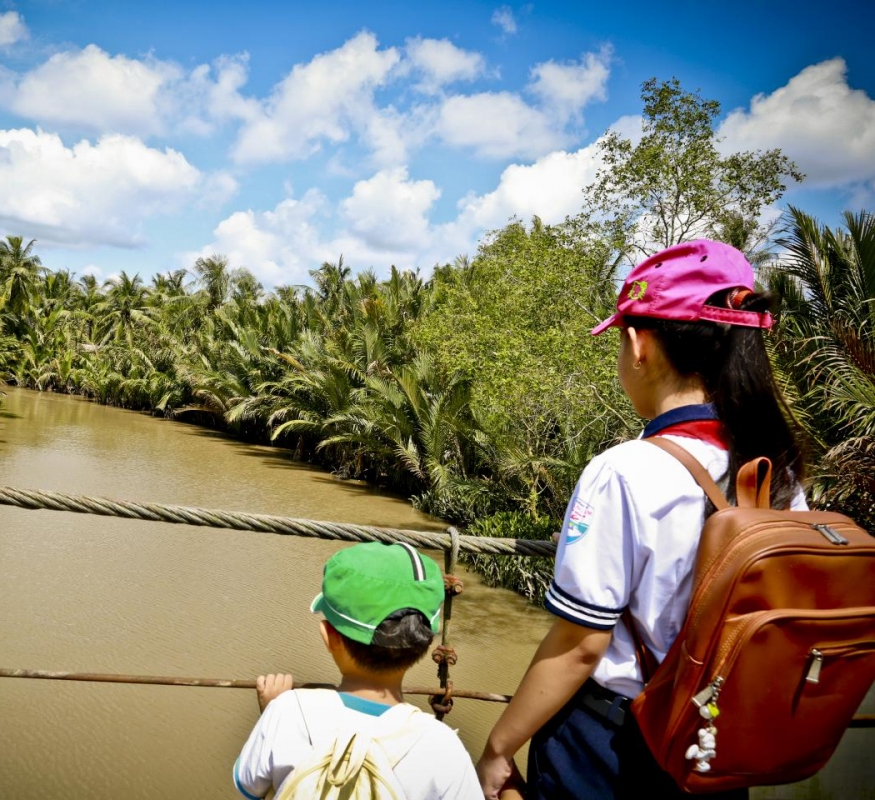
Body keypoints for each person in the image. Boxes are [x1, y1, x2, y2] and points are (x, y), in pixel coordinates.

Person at [475, 239, 807, 800]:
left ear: (638, 343)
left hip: (616, 743)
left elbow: (580, 646)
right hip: (714, 739)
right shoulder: (781, 465)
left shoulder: (623, 471)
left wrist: (498, 748)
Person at [233, 541, 487, 799]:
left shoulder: (287, 711)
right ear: (426, 641)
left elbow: (251, 786)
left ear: (329, 637)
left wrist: (270, 709)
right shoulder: (443, 747)